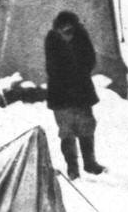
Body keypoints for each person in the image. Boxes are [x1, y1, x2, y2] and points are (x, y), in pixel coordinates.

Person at [44, 11, 105, 179]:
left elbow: (90, 59)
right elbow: (52, 68)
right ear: (57, 28)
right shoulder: (52, 39)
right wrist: (72, 75)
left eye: (70, 29)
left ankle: (90, 164)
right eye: (63, 29)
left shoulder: (81, 36)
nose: (67, 32)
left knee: (87, 127)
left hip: (81, 93)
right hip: (61, 95)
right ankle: (73, 169)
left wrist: (79, 73)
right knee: (67, 131)